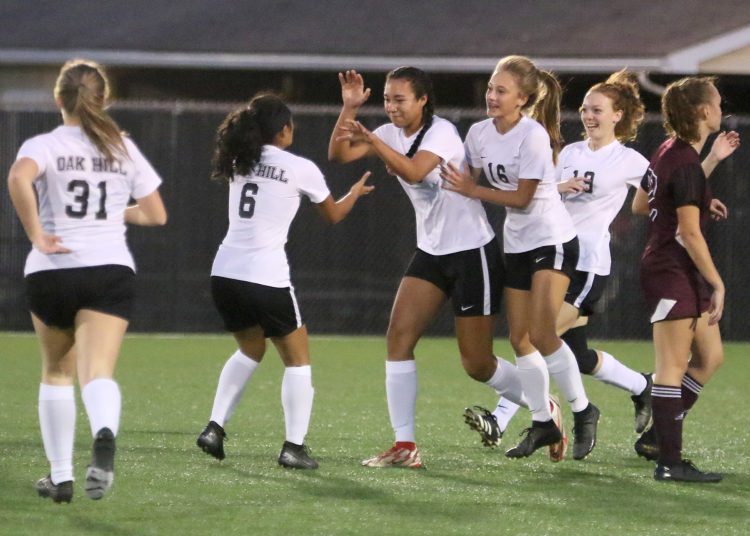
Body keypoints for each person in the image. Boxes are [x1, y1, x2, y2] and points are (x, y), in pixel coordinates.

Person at [328, 67, 543, 468]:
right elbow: (338, 154)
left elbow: (413, 170)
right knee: (398, 339)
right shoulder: (390, 133)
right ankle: (405, 446)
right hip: (431, 250)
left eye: (400, 99)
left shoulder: (441, 132)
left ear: (423, 100)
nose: (391, 107)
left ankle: (541, 405)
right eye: (387, 99)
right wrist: (349, 109)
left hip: (471, 252)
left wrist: (374, 139)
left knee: (476, 363)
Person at [464, 71, 654, 451]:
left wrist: (655, 209)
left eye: (597, 109)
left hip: (586, 264)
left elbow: (658, 192)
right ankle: (642, 386)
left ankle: (503, 420)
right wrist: (560, 186)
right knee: (576, 354)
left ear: (618, 115)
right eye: (584, 109)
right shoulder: (569, 153)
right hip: (550, 252)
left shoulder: (629, 159)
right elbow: (540, 193)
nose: (588, 115)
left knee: (537, 337)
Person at [7, 59, 167, 503]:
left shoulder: (44, 143)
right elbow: (156, 214)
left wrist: (37, 234)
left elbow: (18, 177)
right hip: (108, 269)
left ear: (59, 99)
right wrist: (116, 213)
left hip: (52, 270)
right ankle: (103, 433)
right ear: (104, 100)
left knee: (56, 371)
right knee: (96, 371)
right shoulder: (122, 147)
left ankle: (61, 478)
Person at [196, 93, 373, 470]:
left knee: (250, 349)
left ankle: (214, 427)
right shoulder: (299, 167)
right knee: (298, 362)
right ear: (284, 130)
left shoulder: (239, 160)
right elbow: (334, 215)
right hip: (266, 276)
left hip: (225, 272)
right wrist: (355, 193)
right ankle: (293, 447)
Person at [441, 55, 599, 461]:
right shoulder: (478, 133)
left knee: (544, 334)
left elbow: (523, 198)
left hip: (552, 239)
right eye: (491, 88)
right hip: (517, 243)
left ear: (523, 98)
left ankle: (583, 412)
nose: (492, 96)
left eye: (501, 91)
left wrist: (471, 190)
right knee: (518, 338)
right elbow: (464, 177)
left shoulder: (532, 136)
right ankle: (544, 423)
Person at [631, 76, 739, 482]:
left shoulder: (669, 150)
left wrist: (706, 170)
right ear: (701, 111)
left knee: (710, 359)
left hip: (675, 270)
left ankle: (660, 437)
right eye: (716, 101)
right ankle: (669, 463)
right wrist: (719, 284)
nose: (720, 106)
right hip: (670, 271)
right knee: (671, 368)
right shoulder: (685, 161)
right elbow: (689, 233)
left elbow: (643, 202)